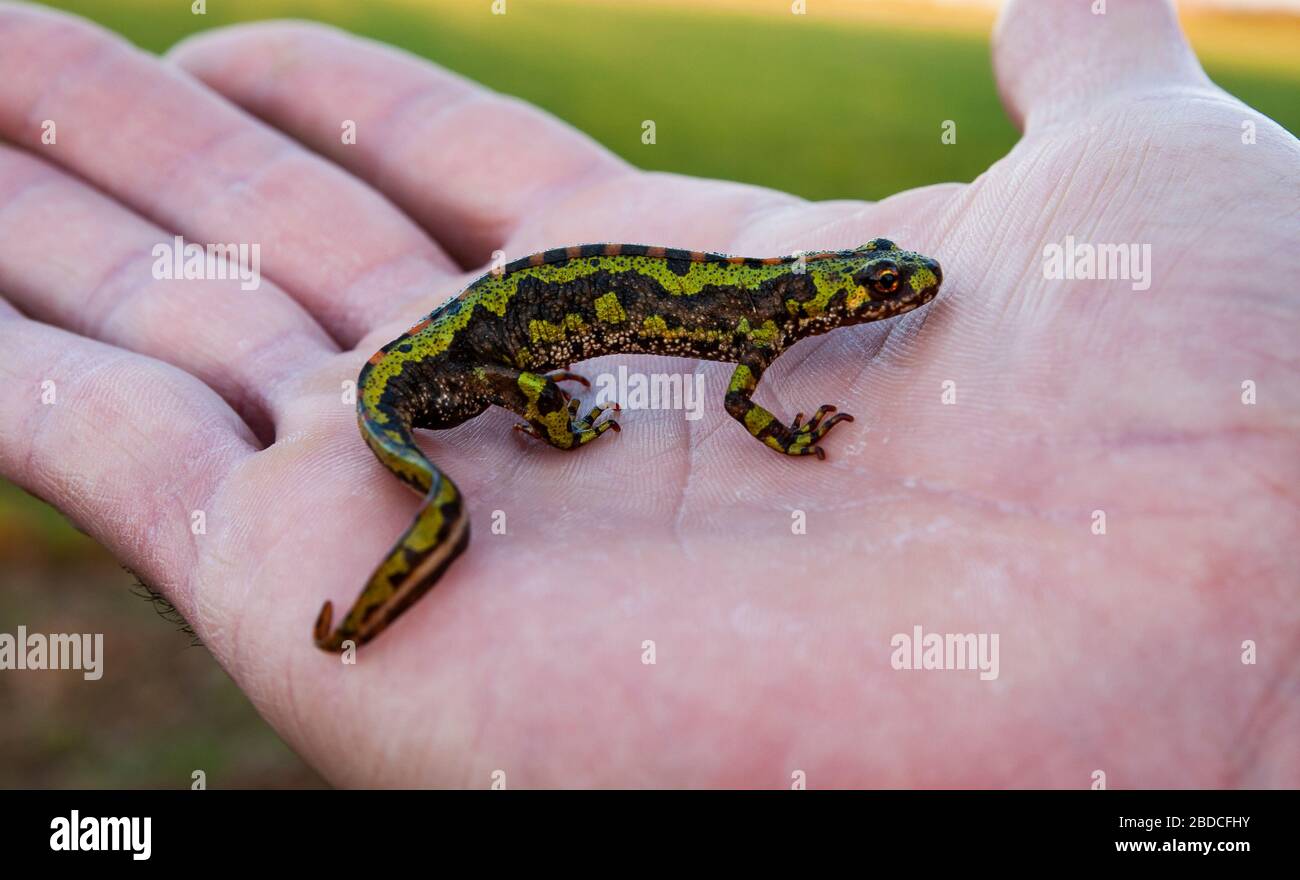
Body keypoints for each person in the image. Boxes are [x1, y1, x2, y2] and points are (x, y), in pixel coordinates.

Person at [0, 0, 1294, 787]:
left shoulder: (778, 306)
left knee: (527, 375)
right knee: (528, 403)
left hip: (474, 343)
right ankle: (519, 428)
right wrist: (593, 417)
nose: (893, 299)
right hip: (453, 367)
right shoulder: (763, 333)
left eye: (885, 291)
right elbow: (747, 408)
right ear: (833, 299)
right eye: (879, 292)